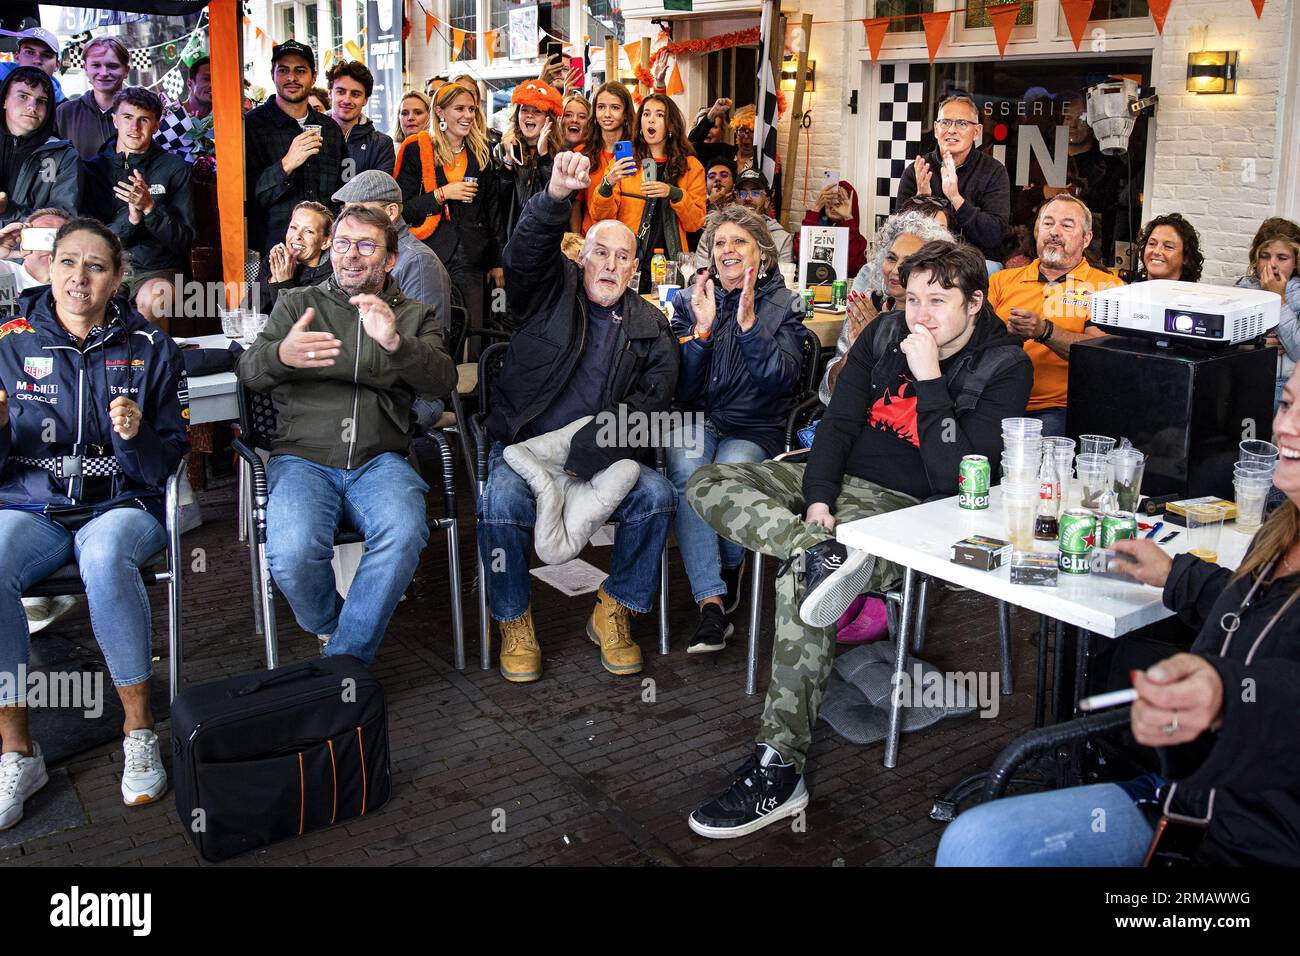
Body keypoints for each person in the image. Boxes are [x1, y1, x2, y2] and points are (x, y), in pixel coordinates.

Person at [683, 240, 1032, 838]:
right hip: (832, 483)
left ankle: (780, 768)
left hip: (909, 509)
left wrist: (928, 380)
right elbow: (839, 423)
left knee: (802, 585)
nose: (918, 315)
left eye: (937, 302)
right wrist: (817, 500)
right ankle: (818, 551)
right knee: (709, 481)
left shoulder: (1005, 366)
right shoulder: (884, 333)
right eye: (912, 297)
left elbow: (955, 480)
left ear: (975, 303)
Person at [938, 362, 1300, 866]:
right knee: (975, 843)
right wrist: (1174, 575)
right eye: (1285, 404)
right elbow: (1253, 611)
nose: (1286, 426)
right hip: (1179, 800)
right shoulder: (1282, 531)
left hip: (1259, 840)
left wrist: (1226, 697)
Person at [0, 219, 190, 829]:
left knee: (105, 556)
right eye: (68, 263)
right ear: (47, 266)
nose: (79, 278)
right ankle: (16, 752)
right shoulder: (11, 341)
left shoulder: (148, 347)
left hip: (121, 505)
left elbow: (170, 461)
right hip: (35, 504)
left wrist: (136, 437)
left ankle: (139, 729)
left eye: (96, 267)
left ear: (117, 277)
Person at [477, 152, 679, 683]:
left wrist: (590, 452)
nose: (610, 265)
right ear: (580, 255)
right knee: (499, 503)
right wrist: (553, 199)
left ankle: (614, 607)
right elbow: (523, 256)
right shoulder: (547, 292)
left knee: (657, 497)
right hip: (527, 450)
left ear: (636, 268)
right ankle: (514, 621)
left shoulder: (650, 325)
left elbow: (654, 409)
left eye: (623, 257)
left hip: (600, 458)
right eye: (600, 254)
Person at [237, 203, 456, 663]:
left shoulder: (414, 315)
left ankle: (343, 660)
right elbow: (250, 373)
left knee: (404, 530)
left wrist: (397, 343)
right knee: (293, 554)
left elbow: (442, 381)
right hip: (303, 459)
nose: (350, 256)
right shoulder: (299, 303)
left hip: (381, 460)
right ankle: (337, 630)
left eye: (364, 246)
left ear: (390, 259)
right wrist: (281, 355)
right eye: (340, 243)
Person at [667, 205, 806, 653]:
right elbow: (681, 387)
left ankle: (729, 568)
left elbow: (781, 381)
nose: (728, 250)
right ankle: (712, 604)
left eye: (739, 242)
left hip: (755, 425)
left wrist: (748, 329)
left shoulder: (785, 304)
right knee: (689, 475)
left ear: (762, 255)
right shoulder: (692, 301)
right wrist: (702, 335)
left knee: (724, 477)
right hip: (698, 418)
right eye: (721, 242)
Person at [988, 194, 1122, 437]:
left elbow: (1100, 354)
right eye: (1047, 224)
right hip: (995, 400)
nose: (1054, 232)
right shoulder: (1001, 280)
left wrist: (1044, 331)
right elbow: (975, 337)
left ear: (1086, 238)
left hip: (1058, 410)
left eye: (1066, 225)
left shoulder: (1107, 287)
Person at [83, 87, 195, 331]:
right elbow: (89, 240)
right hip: (107, 266)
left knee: (152, 298)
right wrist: (132, 220)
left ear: (156, 124)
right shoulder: (92, 170)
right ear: (114, 120)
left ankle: (157, 368)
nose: (134, 127)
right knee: (86, 298)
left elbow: (184, 239)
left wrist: (150, 208)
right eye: (127, 117)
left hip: (159, 268)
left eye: (144, 119)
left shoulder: (175, 168)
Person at [395, 82, 502, 331]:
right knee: (431, 331)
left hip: (473, 256)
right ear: (441, 112)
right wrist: (441, 194)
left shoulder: (482, 150)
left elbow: (492, 211)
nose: (467, 116)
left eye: (472, 109)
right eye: (459, 109)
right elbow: (402, 209)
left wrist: (497, 261)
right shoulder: (416, 148)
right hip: (429, 254)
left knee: (473, 333)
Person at [824, 211, 955, 404]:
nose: (895, 270)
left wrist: (880, 347)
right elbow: (829, 392)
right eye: (891, 258)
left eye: (909, 262)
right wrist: (858, 348)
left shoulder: (936, 320)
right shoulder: (868, 305)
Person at [588, 93, 706, 294]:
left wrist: (675, 194)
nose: (651, 119)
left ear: (671, 125)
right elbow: (601, 218)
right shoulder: (624, 162)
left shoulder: (690, 167)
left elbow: (695, 222)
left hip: (670, 263)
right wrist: (607, 184)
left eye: (659, 115)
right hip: (629, 260)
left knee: (667, 317)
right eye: (646, 114)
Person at [243, 41, 344, 257]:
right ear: (273, 74)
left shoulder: (330, 129)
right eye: (283, 70)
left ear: (313, 77)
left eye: (300, 71)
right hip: (273, 252)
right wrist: (287, 164)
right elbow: (247, 199)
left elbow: (340, 193)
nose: (292, 78)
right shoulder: (251, 127)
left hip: (324, 254)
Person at [896, 94, 1010, 263]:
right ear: (936, 129)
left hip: (974, 265)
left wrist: (956, 199)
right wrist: (922, 201)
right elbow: (898, 235)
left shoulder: (993, 171)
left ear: (977, 131)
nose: (951, 130)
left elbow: (994, 234)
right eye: (945, 122)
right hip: (924, 262)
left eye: (962, 123)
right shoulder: (918, 170)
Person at [331, 169, 451, 329]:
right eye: (345, 211)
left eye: (361, 211)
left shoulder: (419, 261)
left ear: (391, 211)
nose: (349, 220)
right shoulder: (352, 255)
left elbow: (428, 341)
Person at [0, 67, 80, 228]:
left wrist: (9, 210)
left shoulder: (64, 156)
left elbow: (62, 221)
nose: (33, 106)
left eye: (42, 101)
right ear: (4, 100)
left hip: (28, 251)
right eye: (23, 96)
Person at [1236, 217, 1300, 409]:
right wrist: (1255, 342)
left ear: (1296, 261)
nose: (1272, 265)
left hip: (1289, 389)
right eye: (1265, 256)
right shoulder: (1244, 289)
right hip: (1248, 382)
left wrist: (1278, 298)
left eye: (1282, 258)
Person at [494, 80, 565, 241]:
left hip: (545, 242)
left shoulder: (561, 154)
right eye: (524, 110)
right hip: (510, 240)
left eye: (537, 111)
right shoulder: (501, 149)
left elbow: (558, 198)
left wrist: (544, 156)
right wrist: (508, 162)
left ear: (549, 119)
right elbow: (497, 201)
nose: (529, 115)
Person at [245, 201, 334, 313]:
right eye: (293, 227)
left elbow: (302, 323)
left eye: (309, 231)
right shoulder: (275, 260)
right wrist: (272, 280)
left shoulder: (332, 276)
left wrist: (284, 282)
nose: (297, 236)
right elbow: (246, 312)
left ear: (326, 242)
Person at [55, 38, 130, 161]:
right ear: (85, 68)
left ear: (126, 70)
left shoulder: (140, 113)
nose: (104, 72)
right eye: (96, 65)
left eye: (112, 66)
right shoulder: (65, 113)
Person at [579, 81, 636, 234]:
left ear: (625, 113)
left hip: (628, 238)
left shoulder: (639, 153)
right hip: (590, 237)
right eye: (601, 107)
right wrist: (576, 238)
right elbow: (577, 203)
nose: (607, 114)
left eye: (615, 108)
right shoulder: (582, 153)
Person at [326, 60, 396, 179]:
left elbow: (380, 192)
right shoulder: (311, 135)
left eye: (355, 94)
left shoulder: (381, 144)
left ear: (365, 100)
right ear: (330, 93)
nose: (347, 100)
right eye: (341, 92)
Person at [794, 179, 869, 279]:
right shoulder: (814, 226)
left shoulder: (859, 241)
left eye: (841, 200)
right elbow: (800, 253)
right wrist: (816, 209)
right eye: (831, 199)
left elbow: (853, 267)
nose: (835, 204)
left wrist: (848, 218)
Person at [154, 53, 215, 167]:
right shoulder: (167, 115)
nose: (213, 84)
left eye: (218, 79)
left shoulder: (224, 119)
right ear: (190, 83)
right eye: (206, 79)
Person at [733, 169, 792, 267]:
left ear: (767, 201)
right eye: (742, 193)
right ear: (735, 200)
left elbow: (784, 279)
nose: (747, 198)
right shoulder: (718, 232)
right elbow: (702, 273)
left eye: (755, 193)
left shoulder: (782, 238)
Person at [729, 105, 781, 208]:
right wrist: (711, 115)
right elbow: (693, 142)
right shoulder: (726, 154)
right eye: (742, 130)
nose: (746, 137)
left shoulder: (767, 161)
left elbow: (776, 200)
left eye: (752, 131)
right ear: (736, 132)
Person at [0, 27, 66, 105]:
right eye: (29, 52)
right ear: (17, 57)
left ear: (57, 65)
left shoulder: (65, 110)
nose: (37, 60)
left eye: (46, 55)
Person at [1130, 212, 1203, 283]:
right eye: (1152, 244)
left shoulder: (1191, 294)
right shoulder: (1131, 291)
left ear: (1186, 257)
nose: (1156, 251)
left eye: (1168, 246)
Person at [688, 98, 736, 169]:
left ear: (722, 131)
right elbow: (691, 142)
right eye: (702, 126)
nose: (707, 130)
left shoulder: (730, 153)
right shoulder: (691, 155)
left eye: (714, 126)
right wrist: (712, 114)